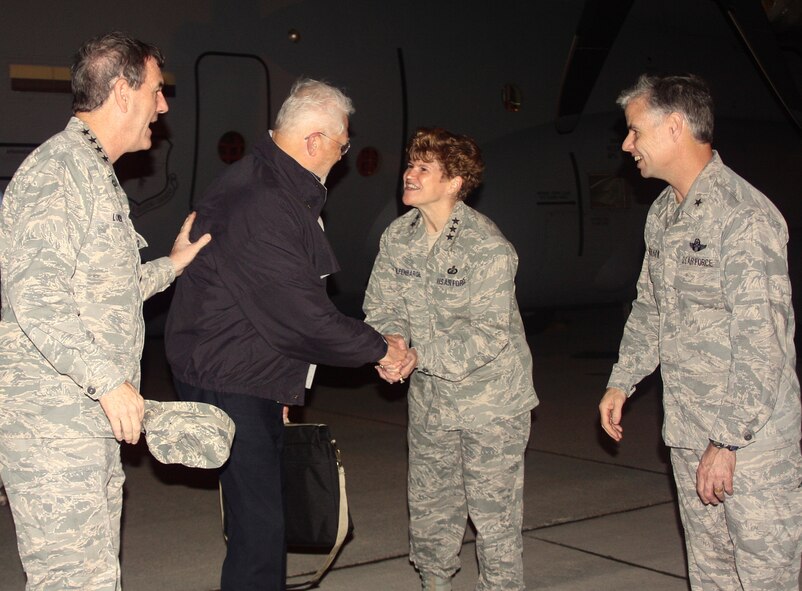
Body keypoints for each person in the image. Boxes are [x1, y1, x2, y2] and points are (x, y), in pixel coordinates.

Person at [164, 78, 408, 591]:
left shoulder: (266, 181)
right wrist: (381, 348)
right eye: (343, 147)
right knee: (260, 529)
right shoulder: (267, 201)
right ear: (314, 141)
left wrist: (279, 386)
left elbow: (261, 307)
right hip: (229, 376)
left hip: (244, 370)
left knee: (263, 517)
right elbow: (302, 317)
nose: (343, 158)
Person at [0, 31, 210, 590]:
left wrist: (172, 265)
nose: (163, 107)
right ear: (123, 92)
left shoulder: (93, 174)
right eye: (157, 92)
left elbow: (101, 293)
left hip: (83, 425)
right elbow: (37, 299)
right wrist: (110, 383)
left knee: (94, 579)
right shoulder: (59, 173)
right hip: (54, 430)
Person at [598, 74, 802, 590]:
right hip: (691, 433)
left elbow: (762, 340)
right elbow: (651, 308)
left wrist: (728, 440)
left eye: (634, 131)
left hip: (750, 445)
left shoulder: (743, 216)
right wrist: (623, 380)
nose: (627, 145)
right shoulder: (665, 213)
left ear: (673, 127)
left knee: (765, 578)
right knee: (711, 576)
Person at [363, 128, 538, 591]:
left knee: (493, 518)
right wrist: (391, 346)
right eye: (410, 164)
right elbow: (382, 307)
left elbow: (487, 335)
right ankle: (434, 584)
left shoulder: (487, 247)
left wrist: (417, 355)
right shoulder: (397, 237)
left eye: (424, 168)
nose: (410, 174)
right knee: (430, 508)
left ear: (456, 181)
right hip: (431, 402)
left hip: (491, 404)